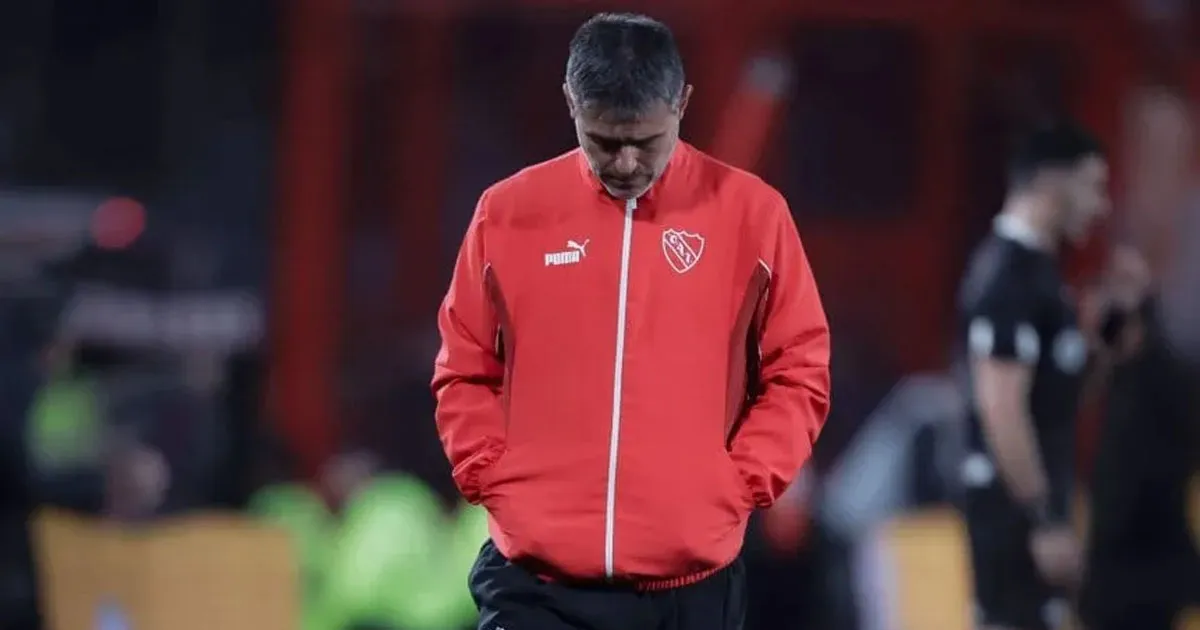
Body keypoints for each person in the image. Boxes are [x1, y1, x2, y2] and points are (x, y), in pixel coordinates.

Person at [431, 12, 831, 630]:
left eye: (645, 142)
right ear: (571, 103)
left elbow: (799, 368)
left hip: (689, 590)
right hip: (534, 584)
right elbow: (464, 364)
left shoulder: (753, 215)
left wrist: (740, 481)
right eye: (603, 140)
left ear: (682, 104)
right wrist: (492, 473)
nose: (624, 163)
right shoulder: (507, 213)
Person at [956, 122, 1109, 630]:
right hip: (1011, 523)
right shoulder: (1006, 276)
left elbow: (1060, 398)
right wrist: (1042, 520)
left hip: (1039, 514)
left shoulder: (1043, 275)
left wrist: (1106, 336)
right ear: (1051, 181)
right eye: (1092, 186)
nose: (1101, 205)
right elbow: (1002, 408)